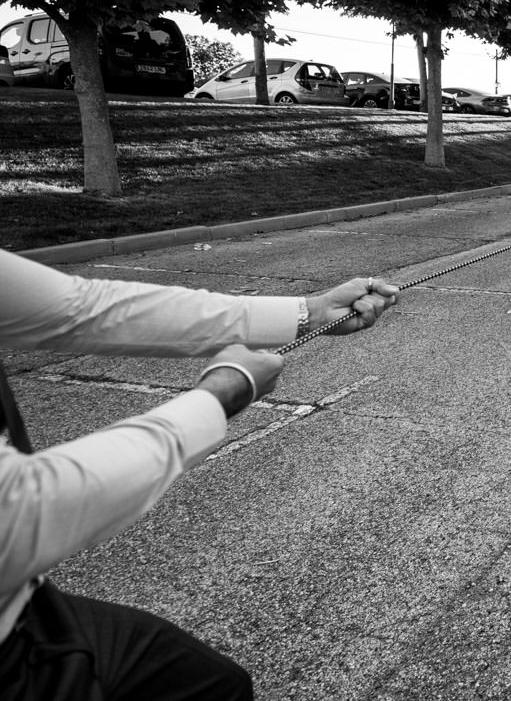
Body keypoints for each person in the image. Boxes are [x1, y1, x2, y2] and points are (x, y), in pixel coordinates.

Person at [0, 247, 399, 701]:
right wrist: (219, 396)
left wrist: (306, 313)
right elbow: (22, 510)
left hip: (24, 601)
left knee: (212, 683)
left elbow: (81, 307)